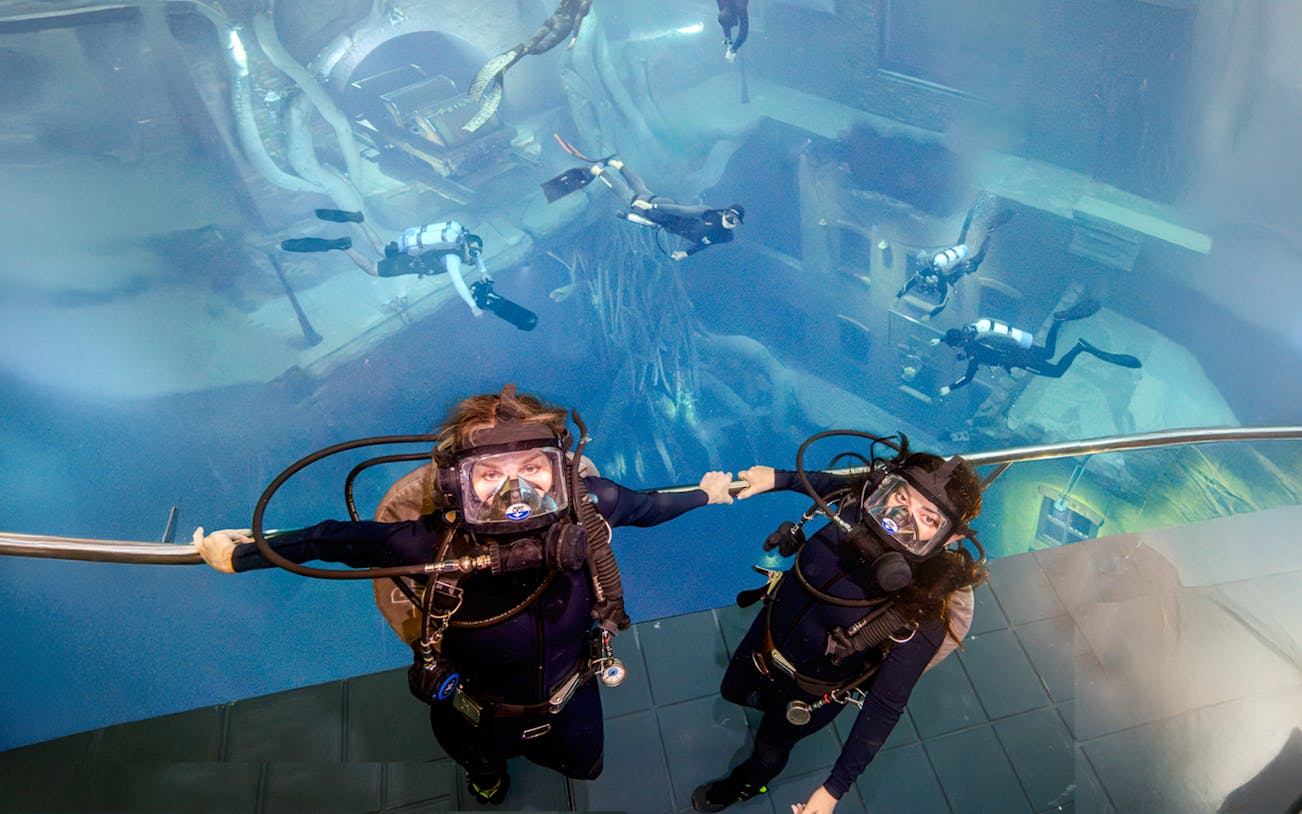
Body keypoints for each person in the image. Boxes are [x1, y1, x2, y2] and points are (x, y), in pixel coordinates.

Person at [193, 385, 736, 804]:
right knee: (481, 763)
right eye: (489, 475)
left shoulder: (588, 507)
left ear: (560, 470)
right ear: (455, 483)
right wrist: (242, 553)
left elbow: (647, 507)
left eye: (531, 468)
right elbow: (333, 539)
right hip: (477, 704)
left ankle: (524, 768)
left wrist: (707, 494)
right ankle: (486, 778)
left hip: (572, 689)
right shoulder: (427, 542)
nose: (516, 493)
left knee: (583, 759)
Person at [692, 435, 987, 813]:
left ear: (952, 537)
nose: (900, 520)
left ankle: (745, 786)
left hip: (810, 692)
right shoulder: (855, 504)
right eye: (901, 498)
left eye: (928, 518)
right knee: (733, 689)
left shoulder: (920, 608)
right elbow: (832, 484)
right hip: (764, 639)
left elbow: (883, 708)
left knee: (770, 748)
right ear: (886, 487)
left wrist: (833, 789)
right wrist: (778, 479)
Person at [542, 138, 745, 261]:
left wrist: (686, 254)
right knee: (631, 199)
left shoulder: (726, 237)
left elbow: (705, 242)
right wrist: (651, 206)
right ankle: (599, 171)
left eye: (733, 220)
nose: (729, 219)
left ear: (737, 224)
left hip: (662, 218)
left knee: (640, 189)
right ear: (724, 211)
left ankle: (617, 163)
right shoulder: (707, 213)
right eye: (728, 215)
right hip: (664, 210)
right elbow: (681, 210)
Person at [282, 210, 487, 318]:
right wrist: (473, 306)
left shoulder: (459, 241)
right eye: (475, 254)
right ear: (468, 248)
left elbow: (474, 254)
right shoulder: (454, 258)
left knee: (380, 247)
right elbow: (458, 281)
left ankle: (359, 219)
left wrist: (483, 270)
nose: (475, 257)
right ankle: (344, 246)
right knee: (372, 269)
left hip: (408, 250)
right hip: (406, 264)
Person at [932, 299, 1142, 396]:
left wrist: (949, 388)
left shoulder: (973, 351)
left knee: (1057, 372)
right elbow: (984, 353)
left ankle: (1080, 347)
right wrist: (941, 340)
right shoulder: (972, 333)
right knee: (1049, 352)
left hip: (1021, 360)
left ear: (959, 343)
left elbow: (968, 377)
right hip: (1020, 351)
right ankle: (1057, 322)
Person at [463, 0, 594, 132]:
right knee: (539, 49)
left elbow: (560, 8)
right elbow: (579, 16)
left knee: (531, 45)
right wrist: (575, 37)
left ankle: (517, 56)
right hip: (565, 24)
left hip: (554, 18)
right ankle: (512, 61)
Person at [896, 193, 1014, 318]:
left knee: (977, 257)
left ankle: (989, 230)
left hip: (963, 266)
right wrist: (898, 297)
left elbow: (941, 304)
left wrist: (929, 315)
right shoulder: (926, 273)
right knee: (963, 236)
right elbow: (910, 286)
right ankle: (972, 211)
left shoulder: (939, 284)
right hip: (957, 260)